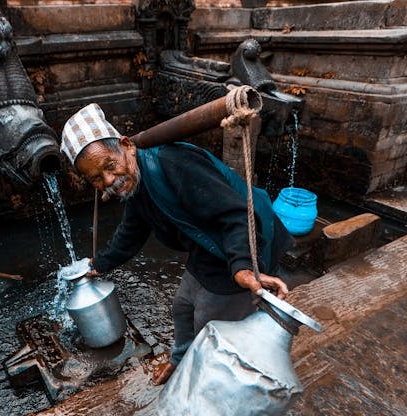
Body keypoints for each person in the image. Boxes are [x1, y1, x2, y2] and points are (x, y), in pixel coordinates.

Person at [60, 103, 293, 385]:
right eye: (96, 178)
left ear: (126, 146)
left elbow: (236, 215)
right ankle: (180, 360)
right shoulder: (136, 183)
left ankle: (210, 383)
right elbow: (131, 232)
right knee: (183, 307)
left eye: (110, 166)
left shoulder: (174, 164)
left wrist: (242, 268)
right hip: (207, 245)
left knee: (212, 323)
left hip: (243, 240)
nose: (109, 180)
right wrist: (98, 265)